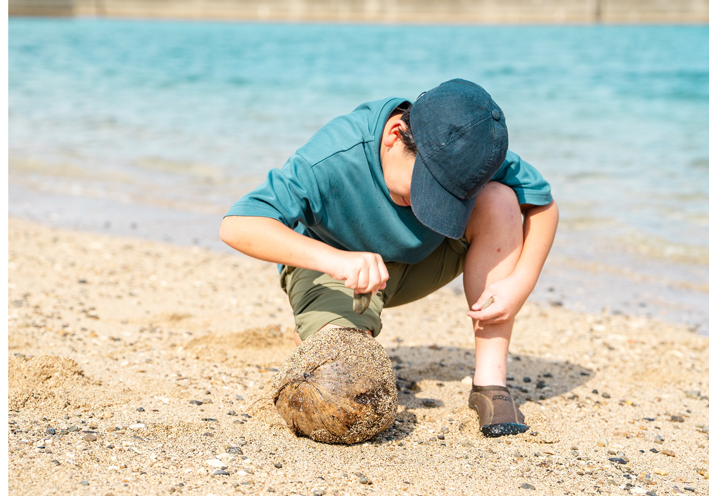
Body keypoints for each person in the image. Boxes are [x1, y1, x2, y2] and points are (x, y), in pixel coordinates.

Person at [220, 79, 558, 438]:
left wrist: (521, 283)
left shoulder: (468, 151)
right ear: (395, 136)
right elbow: (238, 225)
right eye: (426, 188)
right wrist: (335, 260)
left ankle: (491, 385)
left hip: (423, 262)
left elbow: (543, 205)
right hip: (338, 272)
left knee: (500, 200)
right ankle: (324, 327)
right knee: (342, 384)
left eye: (448, 197)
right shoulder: (332, 156)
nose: (432, 205)